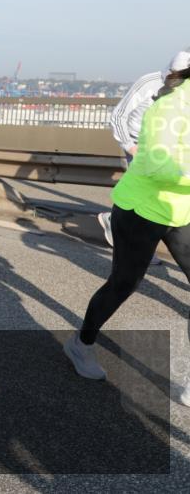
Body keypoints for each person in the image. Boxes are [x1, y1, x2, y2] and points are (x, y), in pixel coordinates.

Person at [64, 65, 190, 401]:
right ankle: (81, 344)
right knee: (123, 285)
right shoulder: (168, 105)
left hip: (181, 211)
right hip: (141, 209)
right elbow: (156, 165)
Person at [99, 49, 190, 251]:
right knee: (147, 195)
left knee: (161, 198)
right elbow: (118, 116)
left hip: (169, 150)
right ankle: (126, 233)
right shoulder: (149, 82)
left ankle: (130, 236)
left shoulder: (184, 91)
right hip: (140, 146)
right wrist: (131, 147)